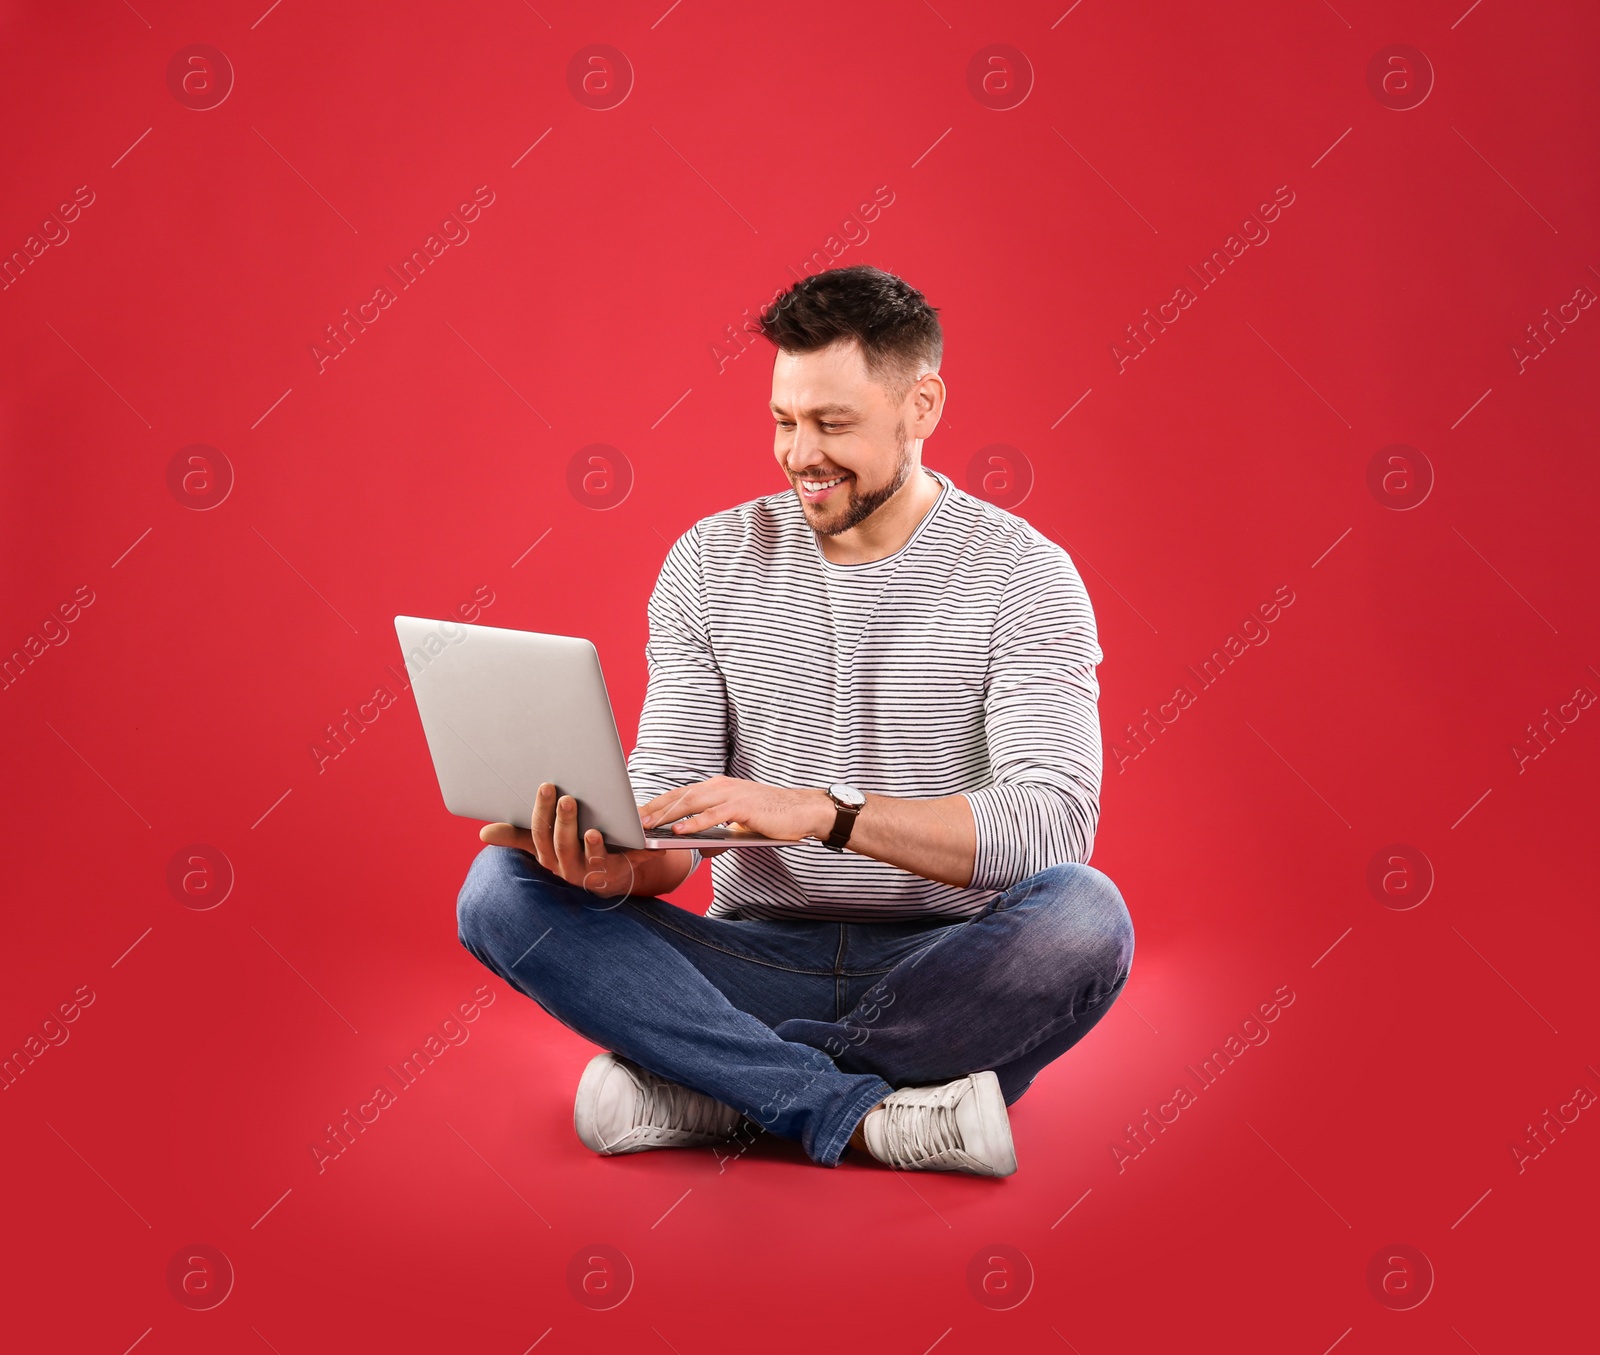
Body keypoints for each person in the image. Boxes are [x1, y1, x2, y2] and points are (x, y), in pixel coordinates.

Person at [455, 264, 1134, 1176]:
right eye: (785, 419)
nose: (800, 452)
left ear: (922, 405)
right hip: (752, 960)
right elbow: (672, 814)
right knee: (500, 889)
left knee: (1089, 920)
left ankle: (714, 1085)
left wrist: (827, 812)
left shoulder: (1025, 576)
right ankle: (857, 1110)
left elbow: (1049, 826)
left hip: (945, 964)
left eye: (834, 423)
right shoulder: (708, 561)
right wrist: (617, 862)